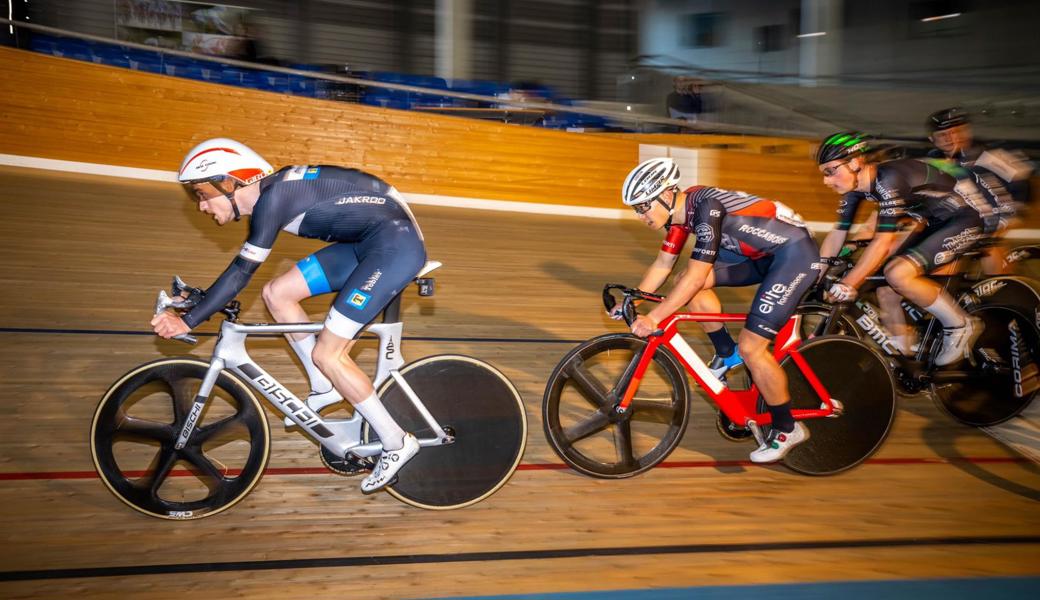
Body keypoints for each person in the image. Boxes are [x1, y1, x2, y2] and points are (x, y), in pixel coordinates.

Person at [152, 138, 426, 493]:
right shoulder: (274, 194)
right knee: (276, 293)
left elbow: (241, 271)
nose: (201, 206)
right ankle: (323, 385)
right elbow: (242, 276)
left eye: (202, 194)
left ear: (231, 181)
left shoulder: (273, 201)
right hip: (368, 243)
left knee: (329, 352)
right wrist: (202, 301)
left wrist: (189, 321)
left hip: (394, 246)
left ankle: (396, 442)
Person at [617, 157, 820, 462]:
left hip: (793, 255)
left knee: (753, 348)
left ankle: (787, 427)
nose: (641, 215)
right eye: (636, 209)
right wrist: (634, 300)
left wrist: (656, 317)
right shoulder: (681, 216)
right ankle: (726, 353)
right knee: (686, 280)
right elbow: (663, 264)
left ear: (667, 194)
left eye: (644, 206)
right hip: (758, 255)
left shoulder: (706, 208)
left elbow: (700, 274)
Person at [815, 132, 991, 364]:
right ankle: (903, 355)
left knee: (897, 273)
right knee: (885, 288)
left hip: (964, 221)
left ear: (856, 163)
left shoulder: (889, 181)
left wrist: (849, 284)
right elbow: (838, 233)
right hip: (933, 223)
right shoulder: (855, 188)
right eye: (824, 173)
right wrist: (817, 272)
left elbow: (882, 241)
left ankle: (960, 323)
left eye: (831, 171)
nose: (827, 180)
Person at [926, 108, 1033, 273]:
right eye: (942, 135)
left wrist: (1009, 220)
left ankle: (1003, 286)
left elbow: (1023, 186)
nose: (949, 138)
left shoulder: (989, 155)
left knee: (989, 246)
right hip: (962, 218)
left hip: (995, 217)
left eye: (954, 132)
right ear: (932, 139)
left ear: (965, 132)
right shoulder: (932, 162)